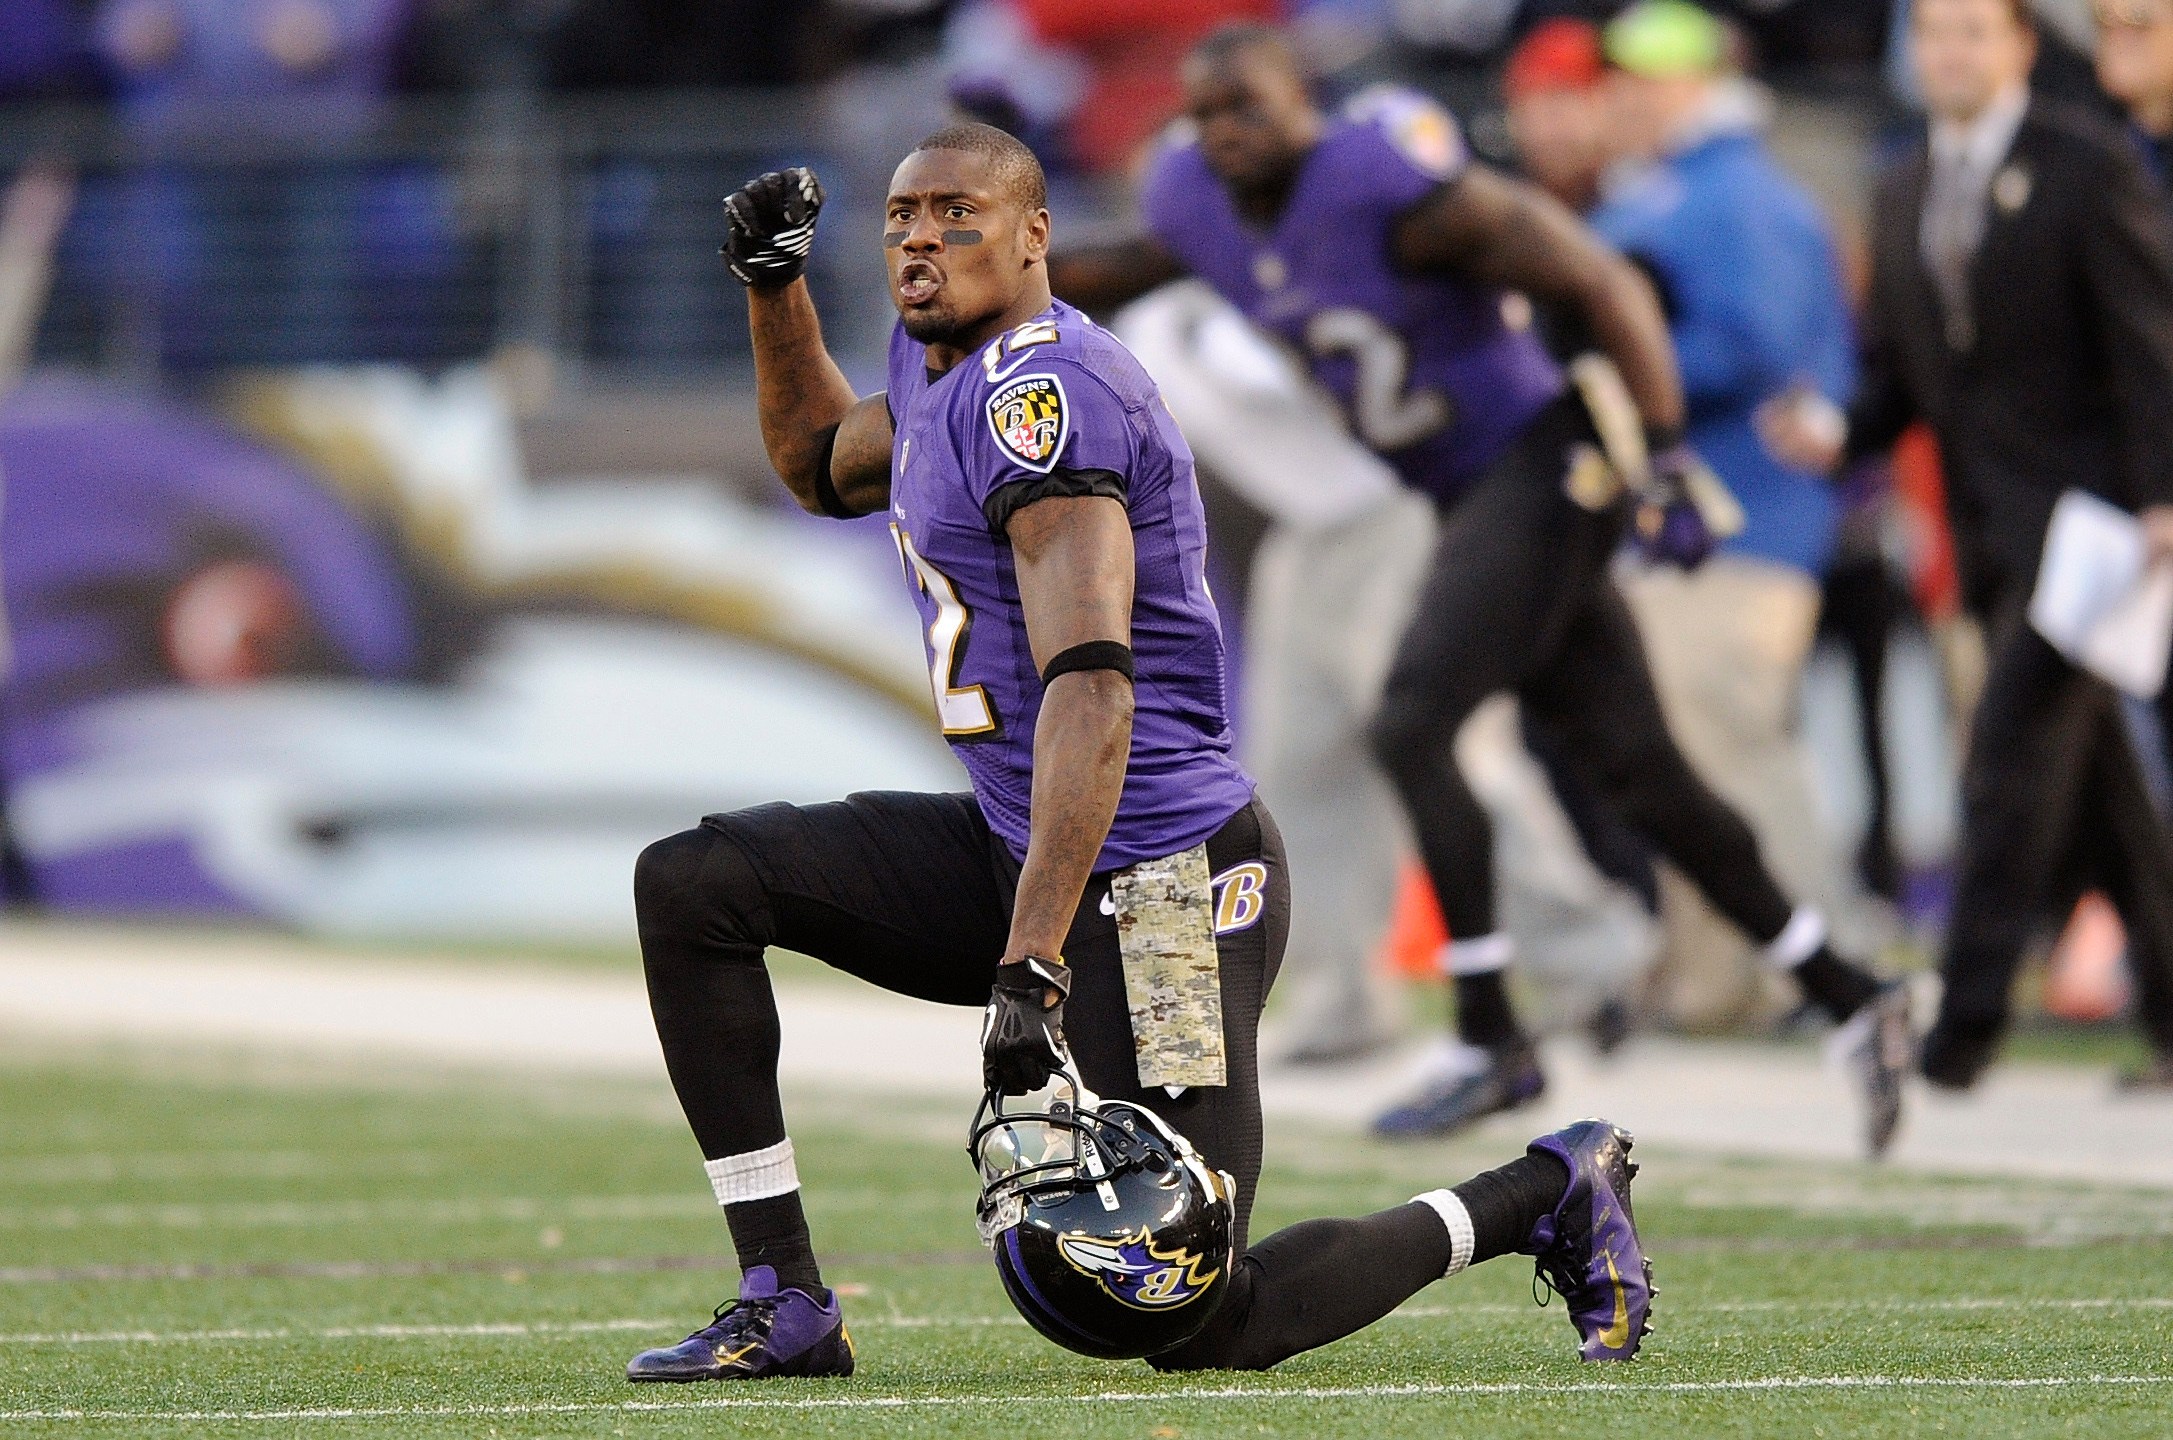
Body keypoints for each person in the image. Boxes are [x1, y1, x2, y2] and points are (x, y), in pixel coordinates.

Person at [620, 123, 1654, 1382]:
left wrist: (1031, 961)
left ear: (1034, 234)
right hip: (1029, 843)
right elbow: (817, 468)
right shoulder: (941, 359)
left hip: (1165, 881)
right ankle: (783, 1297)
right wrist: (774, 289)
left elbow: (1095, 695)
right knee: (697, 883)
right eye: (899, 218)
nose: (918, 239)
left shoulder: (1046, 396)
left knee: (1197, 1315)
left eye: (956, 213)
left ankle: (1543, 1188)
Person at [1051, 24, 1910, 1152]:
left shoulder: (1388, 185)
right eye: (1205, 117)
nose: (1225, 135)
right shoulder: (1202, 204)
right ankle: (1852, 995)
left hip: (1538, 461)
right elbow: (1128, 265)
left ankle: (1491, 1033)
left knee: (1412, 720)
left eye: (1247, 108)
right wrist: (998, 276)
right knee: (1644, 774)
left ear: (1308, 101)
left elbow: (1594, 278)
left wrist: (1656, 453)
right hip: (1464, 495)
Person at [1763, 0, 2173, 1090]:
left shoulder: (2083, 164)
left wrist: (2162, 496)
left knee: (2007, 760)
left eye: (1972, 33)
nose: (1950, 52)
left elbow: (2147, 339)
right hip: (1988, 539)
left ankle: (1957, 1039)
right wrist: (1836, 434)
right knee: (2100, 796)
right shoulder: (1902, 186)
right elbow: (1901, 378)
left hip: (2093, 532)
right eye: (1934, 33)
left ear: (2020, 49)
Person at [1589, 1, 1873, 1033]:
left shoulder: (1727, 200)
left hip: (1737, 520)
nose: (1625, 101)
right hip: (1705, 521)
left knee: (1731, 753)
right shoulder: (1692, 191)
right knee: (1697, 757)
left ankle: (1829, 964)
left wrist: (1604, 366)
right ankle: (1727, 980)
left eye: (1644, 82)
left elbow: (1751, 350)